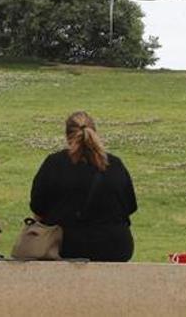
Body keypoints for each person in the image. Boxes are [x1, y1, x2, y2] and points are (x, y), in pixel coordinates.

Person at [30, 111, 138, 261]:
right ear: (95, 132)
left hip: (67, 246)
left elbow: (37, 208)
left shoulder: (54, 163)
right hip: (116, 246)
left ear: (67, 136)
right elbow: (131, 206)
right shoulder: (115, 164)